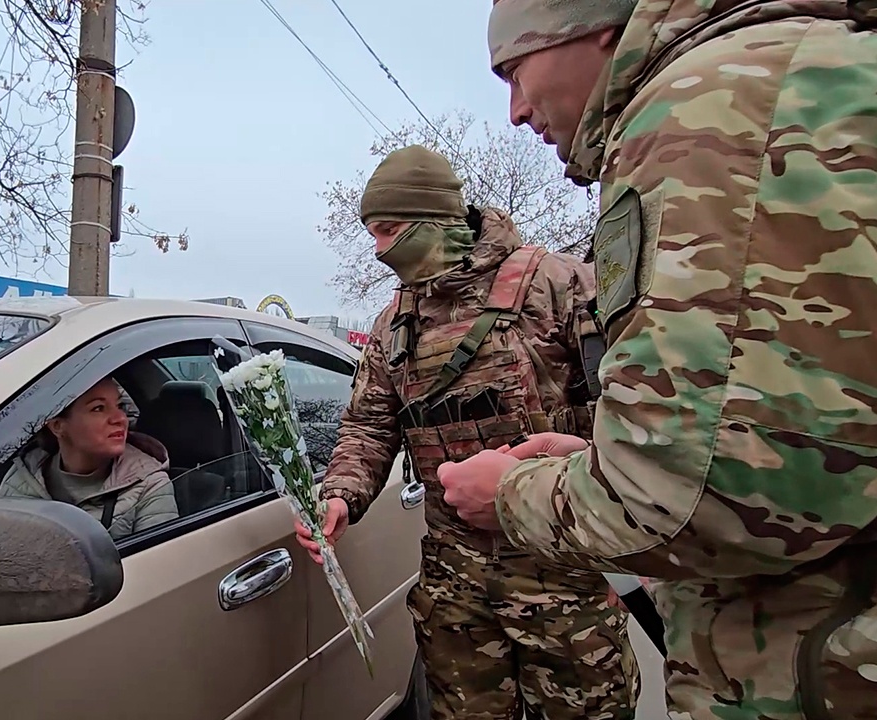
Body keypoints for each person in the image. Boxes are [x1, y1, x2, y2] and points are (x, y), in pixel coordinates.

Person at [438, 1, 877, 717]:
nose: (515, 111)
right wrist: (598, 462)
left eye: (514, 71)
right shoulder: (804, 68)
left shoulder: (710, 102)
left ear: (592, 24)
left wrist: (513, 496)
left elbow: (704, 494)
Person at [298, 143, 637, 720]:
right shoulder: (395, 323)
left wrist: (630, 573)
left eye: (388, 230)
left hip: (566, 574)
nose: (379, 251)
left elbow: (637, 417)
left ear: (435, 218)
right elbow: (369, 425)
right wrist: (340, 496)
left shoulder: (559, 286)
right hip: (457, 587)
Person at [0, 377, 179, 539]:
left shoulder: (150, 484)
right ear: (57, 426)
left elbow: (156, 570)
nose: (120, 419)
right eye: (98, 408)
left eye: (120, 406)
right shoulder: (21, 478)